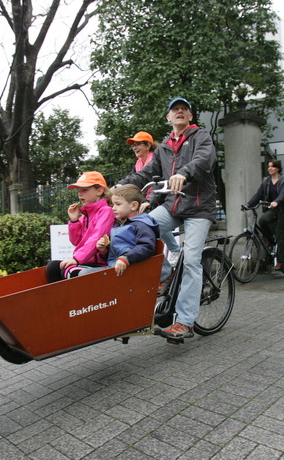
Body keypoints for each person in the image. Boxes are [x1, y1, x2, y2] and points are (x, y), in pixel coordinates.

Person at [114, 97, 217, 341]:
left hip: (199, 208)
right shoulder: (163, 148)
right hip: (173, 206)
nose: (180, 112)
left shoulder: (201, 137)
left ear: (190, 116)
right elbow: (147, 173)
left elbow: (204, 160)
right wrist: (123, 187)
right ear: (168, 118)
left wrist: (183, 173)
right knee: (140, 228)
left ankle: (184, 321)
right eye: (175, 110)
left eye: (184, 109)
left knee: (191, 260)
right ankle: (165, 274)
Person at [45, 171, 116, 282]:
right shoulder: (85, 215)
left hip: (100, 263)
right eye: (79, 191)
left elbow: (96, 238)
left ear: (99, 191)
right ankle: (59, 299)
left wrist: (77, 259)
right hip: (86, 261)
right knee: (53, 267)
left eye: (84, 190)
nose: (80, 194)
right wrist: (74, 221)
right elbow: (76, 242)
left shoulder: (106, 211)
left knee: (69, 272)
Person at [127, 131, 180, 266]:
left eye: (138, 144)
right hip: (148, 200)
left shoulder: (154, 160)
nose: (134, 147)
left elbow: (158, 184)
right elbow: (134, 181)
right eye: (133, 145)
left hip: (162, 199)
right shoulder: (139, 162)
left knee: (151, 225)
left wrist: (148, 201)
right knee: (146, 226)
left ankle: (175, 250)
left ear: (148, 146)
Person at [83, 184, 160, 276]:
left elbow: (146, 247)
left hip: (131, 270)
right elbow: (114, 253)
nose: (113, 208)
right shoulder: (118, 225)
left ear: (133, 205)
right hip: (117, 268)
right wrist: (104, 250)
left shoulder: (142, 224)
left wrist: (126, 258)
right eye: (113, 204)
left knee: (84, 275)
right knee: (82, 274)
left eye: (118, 204)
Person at [245, 159, 284, 270]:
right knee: (262, 221)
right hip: (273, 209)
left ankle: (281, 262)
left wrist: (277, 201)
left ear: (278, 168)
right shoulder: (266, 181)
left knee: (280, 234)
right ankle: (271, 240)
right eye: (268, 166)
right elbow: (258, 195)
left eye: (272, 166)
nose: (270, 168)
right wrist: (248, 204)